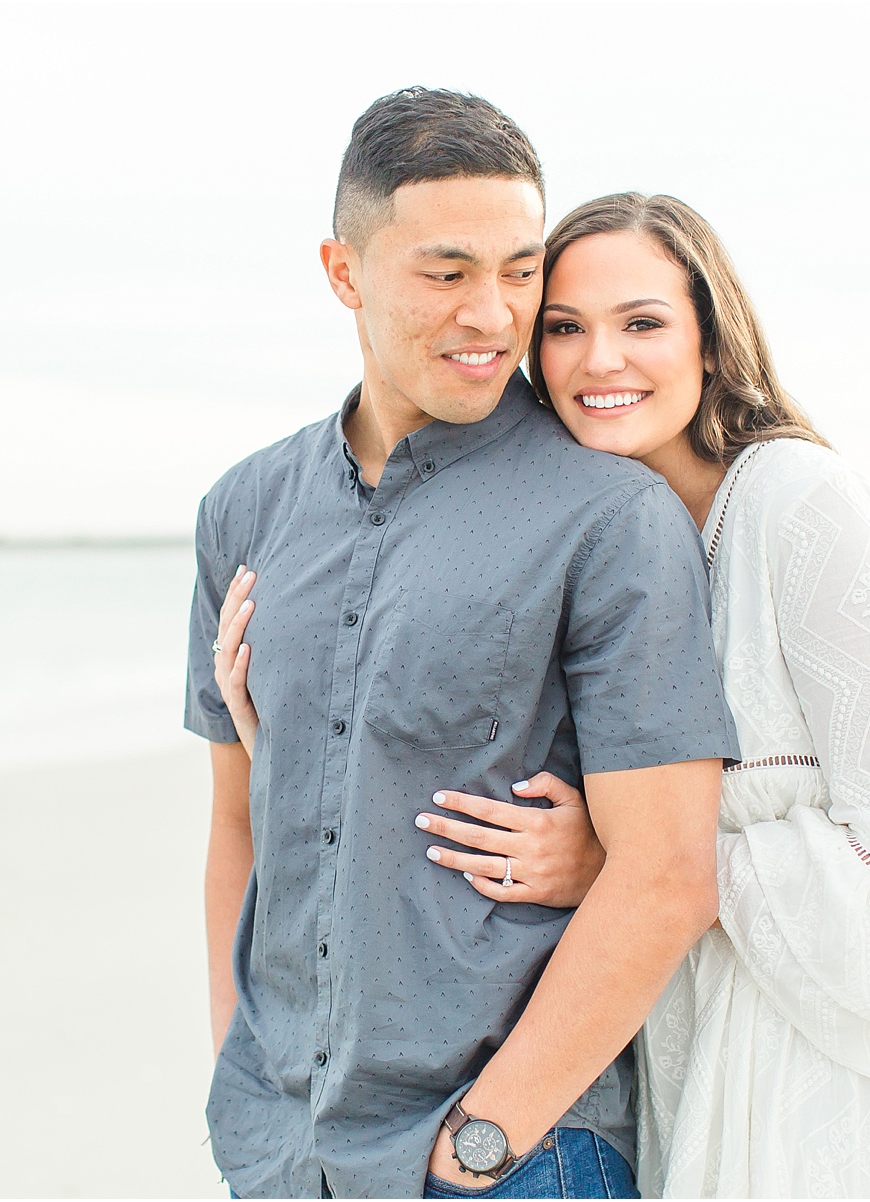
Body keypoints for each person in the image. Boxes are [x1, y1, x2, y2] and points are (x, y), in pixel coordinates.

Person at [185, 93, 739, 1199]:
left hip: (509, 1157)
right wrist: (241, 1080)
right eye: (447, 272)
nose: (493, 313)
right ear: (345, 270)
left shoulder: (610, 516)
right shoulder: (246, 508)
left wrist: (487, 1138)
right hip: (287, 1160)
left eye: (521, 270)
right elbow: (242, 819)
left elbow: (670, 871)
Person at [404, 194, 870, 1196]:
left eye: (641, 322)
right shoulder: (623, 555)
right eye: (565, 327)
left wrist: (641, 865)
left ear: (710, 338)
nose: (601, 359)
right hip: (691, 1062)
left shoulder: (797, 502)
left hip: (827, 1082)